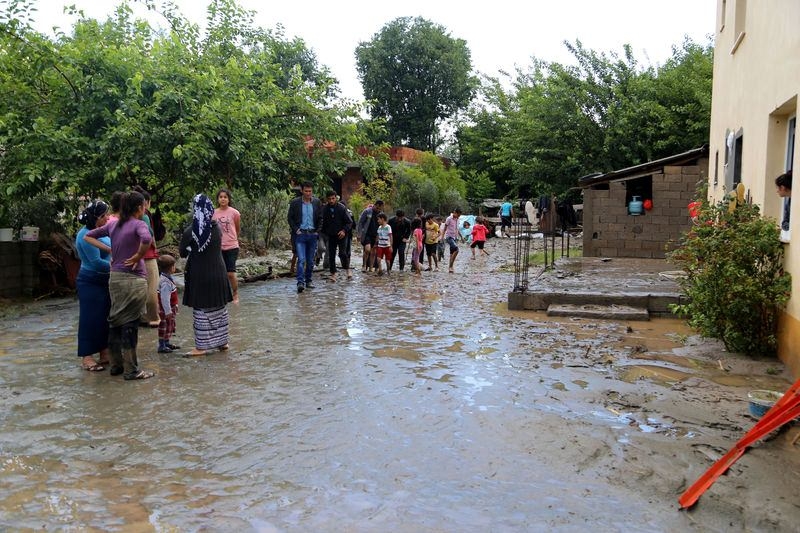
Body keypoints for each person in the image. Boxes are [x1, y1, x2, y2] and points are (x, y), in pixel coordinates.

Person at [84, 191, 155, 381]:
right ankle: (132, 370)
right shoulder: (139, 224)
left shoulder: (113, 224)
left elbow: (88, 236)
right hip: (134, 279)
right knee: (130, 323)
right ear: (139, 207)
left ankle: (116, 365)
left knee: (115, 321)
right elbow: (147, 240)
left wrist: (110, 250)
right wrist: (139, 256)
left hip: (114, 278)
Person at [180, 194, 234, 355]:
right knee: (219, 308)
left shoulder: (191, 232)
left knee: (202, 310)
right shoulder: (216, 228)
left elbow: (182, 252)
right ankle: (222, 343)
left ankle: (201, 347)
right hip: (219, 272)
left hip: (200, 275)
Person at [75, 200, 111, 371]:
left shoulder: (101, 232)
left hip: (105, 281)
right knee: (90, 319)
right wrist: (118, 265)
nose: (108, 218)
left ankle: (104, 351)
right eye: (104, 215)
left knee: (105, 317)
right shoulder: (85, 236)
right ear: (97, 218)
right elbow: (96, 262)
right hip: (90, 281)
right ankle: (87, 356)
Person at [133, 186, 161, 328]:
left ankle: (140, 317)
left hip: (133, 256)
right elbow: (149, 235)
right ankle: (153, 317)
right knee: (152, 287)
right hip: (147, 255)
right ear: (146, 202)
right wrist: (154, 246)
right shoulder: (144, 215)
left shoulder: (126, 217)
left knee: (139, 288)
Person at [287, 182, 323, 293]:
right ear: (302, 191)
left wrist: (317, 232)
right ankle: (300, 282)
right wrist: (296, 230)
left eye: (310, 191)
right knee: (301, 259)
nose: (308, 193)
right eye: (306, 191)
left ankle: (308, 280)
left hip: (312, 234)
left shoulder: (317, 202)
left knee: (310, 260)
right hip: (300, 235)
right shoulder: (295, 203)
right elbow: (290, 218)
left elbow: (321, 218)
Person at [213, 188, 242, 303]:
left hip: (232, 246)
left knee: (230, 272)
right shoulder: (213, 213)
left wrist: (233, 238)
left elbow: (237, 228)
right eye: (221, 197)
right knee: (219, 273)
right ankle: (222, 295)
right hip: (218, 247)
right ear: (218, 199)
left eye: (225, 197)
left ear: (229, 199)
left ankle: (235, 293)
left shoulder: (234, 213)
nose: (223, 199)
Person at [321, 190, 353, 282]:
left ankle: (348, 269)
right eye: (329, 199)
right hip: (331, 235)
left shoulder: (342, 208)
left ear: (336, 198)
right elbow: (322, 222)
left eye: (333, 198)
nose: (331, 201)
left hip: (342, 235)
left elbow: (349, 222)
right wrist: (325, 232)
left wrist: (344, 230)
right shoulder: (324, 209)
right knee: (331, 254)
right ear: (326, 199)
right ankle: (333, 273)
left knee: (342, 253)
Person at [156, 254, 180, 353]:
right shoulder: (165, 282)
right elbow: (165, 298)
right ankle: (162, 345)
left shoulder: (167, 278)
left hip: (170, 307)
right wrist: (168, 311)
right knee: (164, 326)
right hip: (166, 309)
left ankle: (166, 342)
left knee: (169, 325)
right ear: (171, 268)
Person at [357, 199, 384, 272]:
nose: (378, 210)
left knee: (373, 252)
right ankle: (364, 265)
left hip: (376, 234)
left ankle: (371, 268)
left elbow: (383, 224)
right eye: (378, 208)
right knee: (367, 249)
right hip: (367, 234)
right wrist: (359, 234)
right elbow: (360, 222)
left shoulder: (381, 213)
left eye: (380, 209)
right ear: (375, 205)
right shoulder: (367, 211)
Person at [442, 208, 462, 273]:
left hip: (454, 237)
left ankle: (450, 267)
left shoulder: (457, 219)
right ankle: (450, 266)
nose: (458, 216)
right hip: (449, 237)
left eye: (459, 216)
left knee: (452, 253)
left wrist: (461, 237)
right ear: (455, 212)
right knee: (456, 249)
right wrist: (442, 236)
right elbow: (445, 228)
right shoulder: (449, 219)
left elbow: (457, 229)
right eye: (458, 215)